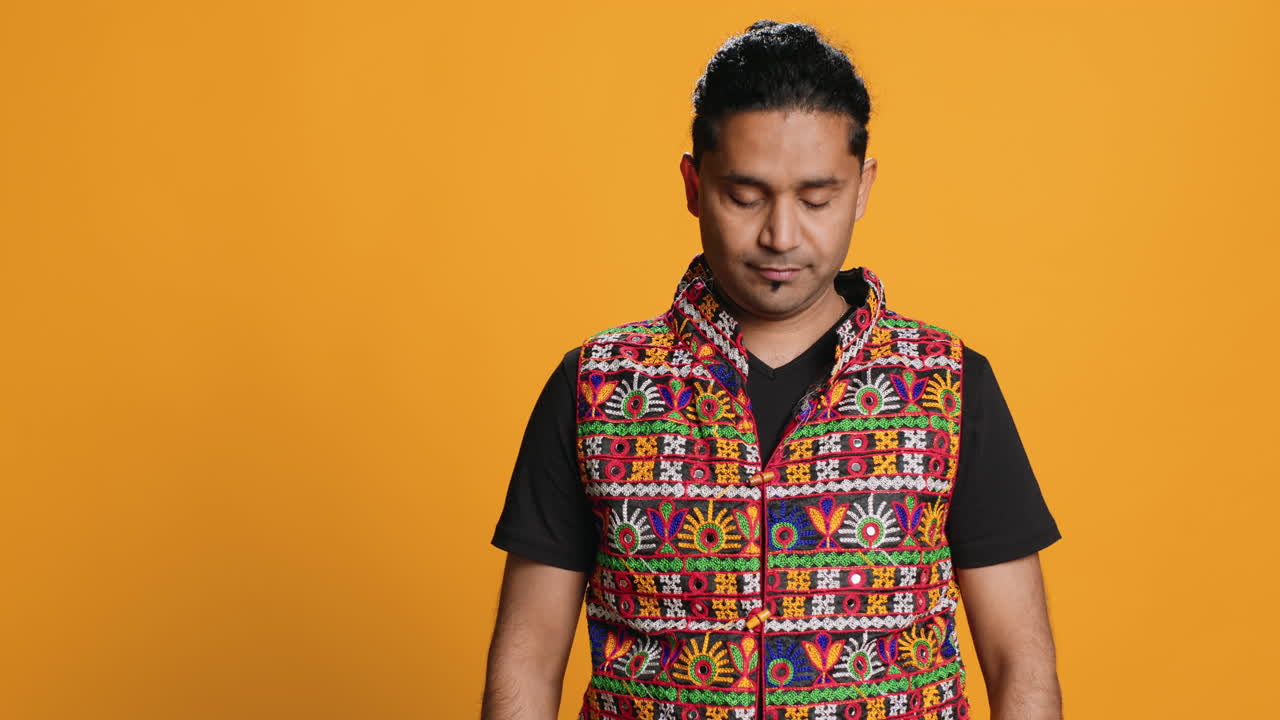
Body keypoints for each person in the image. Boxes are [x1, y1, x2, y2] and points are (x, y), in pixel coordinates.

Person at [483, 19, 1062, 720]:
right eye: (745, 196)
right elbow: (528, 659)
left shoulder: (947, 385)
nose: (781, 235)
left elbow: (1020, 662)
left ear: (862, 188)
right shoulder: (596, 387)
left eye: (816, 199)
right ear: (694, 184)